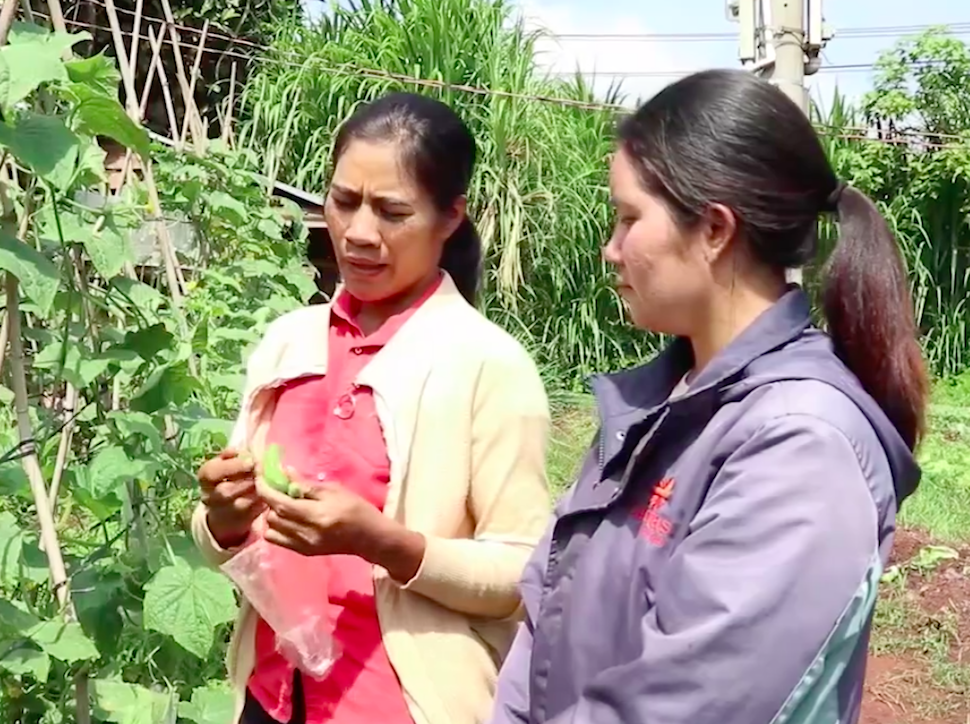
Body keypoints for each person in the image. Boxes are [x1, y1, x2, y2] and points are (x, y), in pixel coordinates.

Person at [490, 68, 928, 724]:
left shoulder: (801, 443)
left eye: (629, 218)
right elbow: (546, 614)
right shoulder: (659, 403)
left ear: (716, 230)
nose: (610, 249)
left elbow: (687, 704)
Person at [191, 91, 553, 724]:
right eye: (343, 201)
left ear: (449, 219)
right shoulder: (288, 343)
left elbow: (523, 572)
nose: (359, 233)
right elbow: (233, 539)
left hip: (403, 706)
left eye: (392, 211)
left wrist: (387, 544)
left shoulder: (488, 366)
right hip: (273, 695)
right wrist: (223, 517)